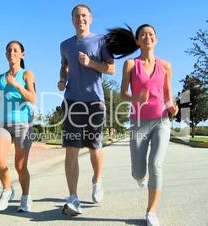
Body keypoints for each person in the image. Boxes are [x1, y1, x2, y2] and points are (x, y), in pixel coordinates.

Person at [105, 24, 178, 226]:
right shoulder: (130, 64)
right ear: (137, 41)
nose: (147, 37)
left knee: (156, 165)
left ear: (156, 39)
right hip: (138, 122)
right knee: (139, 171)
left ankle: (151, 212)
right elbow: (122, 94)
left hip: (161, 120)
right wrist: (137, 98)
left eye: (151, 34)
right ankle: (140, 176)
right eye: (143, 35)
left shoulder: (165, 66)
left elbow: (168, 96)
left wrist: (173, 108)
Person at [58, 4, 115, 216]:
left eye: (84, 15)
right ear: (72, 19)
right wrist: (62, 80)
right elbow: (63, 66)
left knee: (94, 146)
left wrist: (91, 62)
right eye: (76, 15)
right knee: (71, 149)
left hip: (95, 101)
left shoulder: (101, 41)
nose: (80, 18)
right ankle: (73, 197)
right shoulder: (65, 45)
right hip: (72, 101)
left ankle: (97, 180)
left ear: (90, 18)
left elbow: (111, 68)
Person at [0, 40, 36, 212]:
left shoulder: (26, 75)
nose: (12, 53)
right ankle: (7, 189)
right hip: (3, 123)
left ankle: (26, 197)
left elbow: (32, 98)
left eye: (16, 50)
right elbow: (3, 103)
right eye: (9, 50)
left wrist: (16, 84)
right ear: (5, 54)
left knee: (20, 165)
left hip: (23, 123)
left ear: (22, 54)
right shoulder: (0, 78)